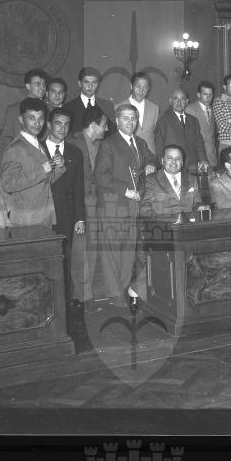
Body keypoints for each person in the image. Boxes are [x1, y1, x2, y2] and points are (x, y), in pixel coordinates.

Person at [94, 104, 157, 306]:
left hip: (133, 205)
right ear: (117, 121)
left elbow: (152, 158)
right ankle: (114, 293)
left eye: (133, 118)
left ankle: (122, 289)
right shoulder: (109, 144)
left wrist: (151, 164)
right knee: (112, 251)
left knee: (128, 251)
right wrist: (125, 190)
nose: (130, 122)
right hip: (114, 203)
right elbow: (100, 176)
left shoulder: (140, 142)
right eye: (126, 118)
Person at [42, 107, 85, 308]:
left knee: (65, 256)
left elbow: (78, 188)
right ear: (49, 125)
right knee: (44, 256)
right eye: (58, 123)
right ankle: (46, 300)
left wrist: (80, 218)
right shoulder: (37, 148)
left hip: (66, 213)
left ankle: (65, 298)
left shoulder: (75, 152)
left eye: (67, 124)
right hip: (42, 212)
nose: (62, 128)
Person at [66, 106, 108, 307]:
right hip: (78, 205)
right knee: (79, 251)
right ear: (93, 126)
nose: (106, 129)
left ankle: (86, 294)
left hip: (96, 204)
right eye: (104, 125)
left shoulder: (101, 145)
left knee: (91, 250)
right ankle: (79, 295)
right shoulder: (72, 142)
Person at [0, 98, 65, 227]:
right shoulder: (14, 149)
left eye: (41, 118)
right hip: (26, 220)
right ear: (21, 120)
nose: (37, 123)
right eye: (31, 118)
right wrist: (42, 170)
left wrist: (59, 167)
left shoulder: (39, 145)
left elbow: (44, 181)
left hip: (45, 217)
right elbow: (8, 184)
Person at [0, 68, 48, 165]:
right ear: (28, 86)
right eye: (37, 84)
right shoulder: (14, 109)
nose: (42, 88)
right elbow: (6, 139)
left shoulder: (48, 110)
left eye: (44, 85)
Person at [139, 145, 208, 215]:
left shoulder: (191, 179)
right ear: (162, 161)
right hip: (163, 221)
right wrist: (158, 220)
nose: (174, 162)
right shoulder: (151, 179)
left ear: (182, 162)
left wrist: (200, 207)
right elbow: (144, 208)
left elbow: (197, 203)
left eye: (178, 159)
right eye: (169, 158)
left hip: (188, 220)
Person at [154, 89, 208, 174]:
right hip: (173, 166)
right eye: (176, 99)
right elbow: (159, 145)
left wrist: (203, 159)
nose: (179, 102)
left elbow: (199, 143)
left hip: (192, 166)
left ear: (187, 102)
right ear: (170, 101)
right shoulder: (163, 120)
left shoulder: (193, 120)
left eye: (182, 99)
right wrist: (161, 165)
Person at [114, 71, 159, 157]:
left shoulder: (154, 108)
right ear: (131, 86)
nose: (141, 90)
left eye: (145, 87)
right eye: (138, 86)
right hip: (126, 156)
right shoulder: (117, 108)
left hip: (150, 157)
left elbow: (156, 135)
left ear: (148, 88)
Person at [63, 66, 116, 135]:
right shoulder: (68, 107)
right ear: (79, 83)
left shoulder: (107, 106)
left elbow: (112, 132)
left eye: (94, 82)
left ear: (98, 84)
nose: (90, 86)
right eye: (86, 82)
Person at [185, 80, 217, 167]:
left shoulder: (212, 109)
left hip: (212, 157)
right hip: (197, 159)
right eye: (205, 94)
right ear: (198, 95)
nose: (208, 97)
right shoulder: (190, 110)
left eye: (210, 94)